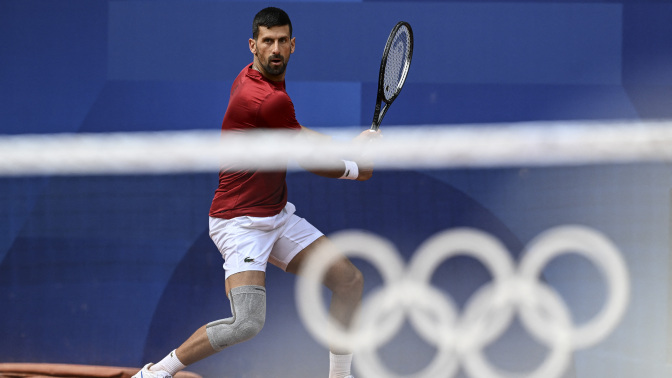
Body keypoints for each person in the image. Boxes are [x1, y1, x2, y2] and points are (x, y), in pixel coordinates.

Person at [133, 7, 379, 378]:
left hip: (275, 215)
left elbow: (293, 131)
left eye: (282, 41)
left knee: (349, 281)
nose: (275, 49)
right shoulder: (266, 97)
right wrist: (355, 169)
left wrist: (348, 142)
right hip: (240, 222)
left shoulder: (253, 80)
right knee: (246, 323)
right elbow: (304, 155)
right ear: (254, 45)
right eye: (268, 41)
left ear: (293, 45)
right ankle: (155, 374)